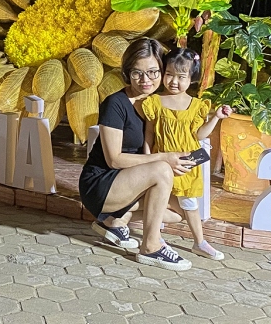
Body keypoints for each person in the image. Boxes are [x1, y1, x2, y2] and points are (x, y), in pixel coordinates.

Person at [78, 37, 196, 271]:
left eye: (153, 72)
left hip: (135, 179)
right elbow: (115, 159)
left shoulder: (161, 103)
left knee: (180, 212)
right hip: (103, 181)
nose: (145, 80)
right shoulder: (116, 104)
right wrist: (164, 158)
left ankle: (116, 220)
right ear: (127, 73)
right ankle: (151, 247)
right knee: (162, 170)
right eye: (137, 73)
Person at [141, 48, 232, 261]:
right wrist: (146, 160)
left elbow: (199, 135)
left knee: (190, 203)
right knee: (158, 200)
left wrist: (216, 117)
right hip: (161, 163)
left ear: (191, 79)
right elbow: (149, 135)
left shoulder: (197, 106)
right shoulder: (154, 102)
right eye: (169, 74)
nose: (174, 81)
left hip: (187, 165)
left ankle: (199, 242)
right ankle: (156, 238)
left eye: (181, 77)